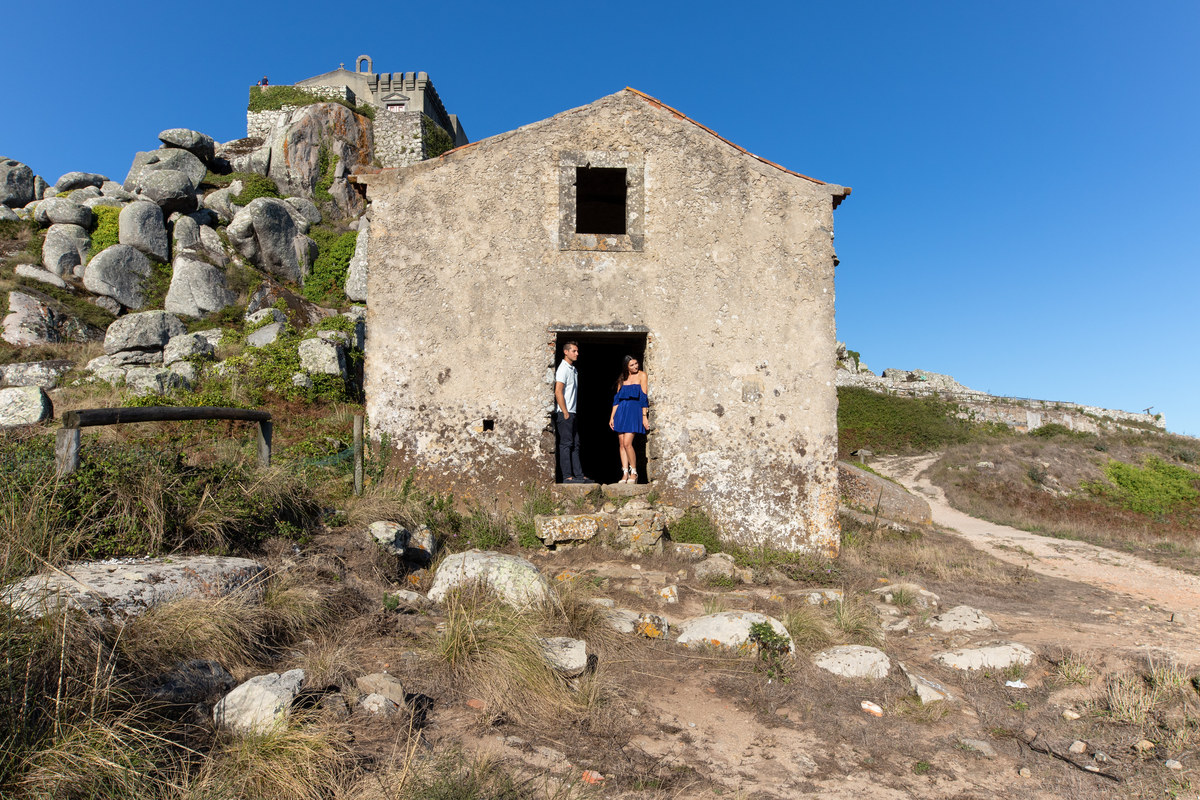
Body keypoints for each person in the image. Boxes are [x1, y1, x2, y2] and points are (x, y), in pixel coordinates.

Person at [554, 341, 593, 484]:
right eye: (574, 351)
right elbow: (558, 391)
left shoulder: (573, 369)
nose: (577, 353)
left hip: (572, 412)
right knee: (566, 444)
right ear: (566, 352)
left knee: (575, 444)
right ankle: (567, 477)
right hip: (565, 412)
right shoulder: (563, 369)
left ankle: (578, 475)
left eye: (577, 351)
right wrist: (565, 411)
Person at [608, 355, 649, 483]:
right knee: (621, 444)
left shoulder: (642, 375)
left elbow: (644, 397)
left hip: (634, 410)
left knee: (627, 443)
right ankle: (625, 473)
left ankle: (634, 472)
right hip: (621, 411)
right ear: (626, 367)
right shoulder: (622, 378)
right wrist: (612, 416)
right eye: (632, 365)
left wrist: (644, 416)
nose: (635, 366)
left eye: (636, 363)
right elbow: (617, 400)